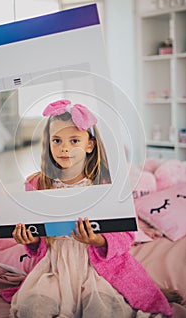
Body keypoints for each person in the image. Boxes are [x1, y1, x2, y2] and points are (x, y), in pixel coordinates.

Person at [10, 99, 172, 318]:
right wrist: (29, 239)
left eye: (74, 140)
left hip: (95, 268)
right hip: (54, 266)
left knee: (102, 311)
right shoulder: (38, 185)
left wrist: (97, 240)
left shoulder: (106, 186)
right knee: (33, 309)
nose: (64, 148)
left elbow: (125, 236)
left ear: (89, 145)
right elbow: (38, 239)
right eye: (56, 140)